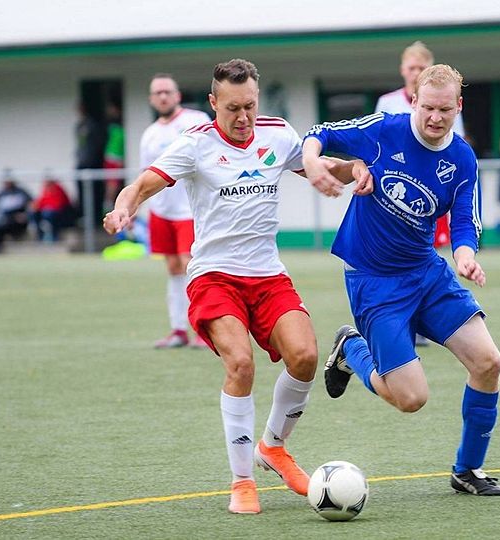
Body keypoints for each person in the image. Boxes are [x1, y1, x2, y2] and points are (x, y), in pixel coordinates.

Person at [103, 59, 365, 514]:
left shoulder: (278, 134)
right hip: (214, 277)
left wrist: (355, 169)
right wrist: (123, 209)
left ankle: (274, 448)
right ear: (212, 104)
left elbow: (323, 167)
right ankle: (242, 480)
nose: (243, 117)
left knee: (304, 356)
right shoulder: (195, 145)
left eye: (250, 106)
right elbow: (142, 184)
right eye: (232, 109)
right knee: (240, 363)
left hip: (267, 275)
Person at [304, 64, 500, 497]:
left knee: (488, 362)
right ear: (414, 101)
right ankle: (352, 350)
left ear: (458, 106)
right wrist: (314, 164)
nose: (435, 118)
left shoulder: (462, 157)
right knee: (410, 399)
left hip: (426, 272)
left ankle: (468, 470)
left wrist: (465, 255)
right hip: (374, 282)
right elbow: (321, 132)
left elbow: (465, 221)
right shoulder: (384, 130)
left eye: (445, 110)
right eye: (427, 108)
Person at [139, 73, 213, 349]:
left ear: (177, 95)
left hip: (189, 210)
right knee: (172, 267)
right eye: (157, 93)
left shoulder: (195, 122)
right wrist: (136, 204)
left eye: (167, 91)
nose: (162, 96)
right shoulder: (150, 134)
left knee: (190, 265)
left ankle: (203, 330)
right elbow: (145, 173)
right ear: (151, 99)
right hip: (161, 210)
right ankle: (178, 329)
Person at [375, 40, 465, 251]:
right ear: (402, 70)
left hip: (431, 182)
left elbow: (456, 144)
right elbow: (377, 143)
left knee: (432, 246)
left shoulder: (446, 105)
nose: (415, 72)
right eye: (411, 68)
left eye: (421, 68)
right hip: (396, 181)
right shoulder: (387, 102)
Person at [74, 101, 108, 220]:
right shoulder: (79, 125)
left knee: (93, 192)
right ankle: (85, 215)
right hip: (82, 163)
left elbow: (96, 145)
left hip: (91, 163)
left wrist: (91, 160)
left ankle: (94, 217)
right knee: (82, 191)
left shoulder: (92, 125)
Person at [0, 175, 32, 253]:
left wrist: (25, 215)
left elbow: (32, 205)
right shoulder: (1, 193)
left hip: (18, 222)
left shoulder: (21, 192)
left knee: (1, 225)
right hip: (4, 221)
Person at [31, 174, 75, 242]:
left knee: (49, 214)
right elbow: (40, 202)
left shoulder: (58, 189)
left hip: (60, 214)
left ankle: (55, 237)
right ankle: (40, 236)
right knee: (33, 214)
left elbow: (59, 204)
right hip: (46, 212)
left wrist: (46, 208)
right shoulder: (45, 190)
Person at [103, 101, 126, 213]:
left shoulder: (122, 125)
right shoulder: (111, 126)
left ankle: (113, 206)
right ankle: (108, 208)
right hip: (112, 157)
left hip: (117, 157)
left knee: (115, 184)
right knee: (112, 184)